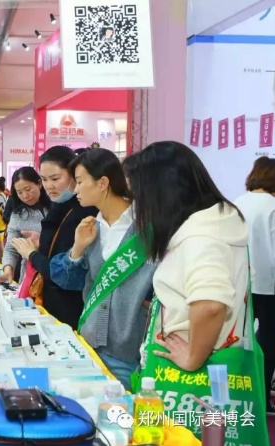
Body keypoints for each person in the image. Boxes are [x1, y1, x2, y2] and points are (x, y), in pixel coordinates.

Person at [126, 142, 267, 443]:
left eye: (139, 194)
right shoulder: (217, 225)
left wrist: (193, 358)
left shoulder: (201, 238)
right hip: (217, 369)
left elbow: (211, 305)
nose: (138, 204)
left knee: (179, 437)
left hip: (188, 375)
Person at [48, 148, 156, 390]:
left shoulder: (147, 227)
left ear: (103, 183)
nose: (75, 189)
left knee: (124, 413)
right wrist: (77, 248)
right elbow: (66, 280)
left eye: (79, 181)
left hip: (131, 352)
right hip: (89, 345)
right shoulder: (90, 227)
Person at [10, 147, 98, 329]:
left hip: (71, 306)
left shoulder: (83, 211)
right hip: (53, 300)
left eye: (55, 179)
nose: (49, 185)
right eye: (44, 179)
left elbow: (64, 271)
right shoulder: (60, 205)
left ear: (74, 175)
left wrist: (31, 254)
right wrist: (43, 242)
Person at [234, 157, 275, 413]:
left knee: (240, 339)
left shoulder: (237, 203)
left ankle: (241, 394)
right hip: (269, 285)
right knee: (269, 341)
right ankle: (261, 398)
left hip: (240, 282)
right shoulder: (272, 206)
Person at [0, 167, 51, 284]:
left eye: (28, 189)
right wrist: (8, 269)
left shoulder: (55, 207)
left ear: (39, 184)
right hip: (30, 277)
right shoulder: (18, 215)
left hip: (56, 271)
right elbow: (11, 247)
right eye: (19, 192)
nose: (25, 196)